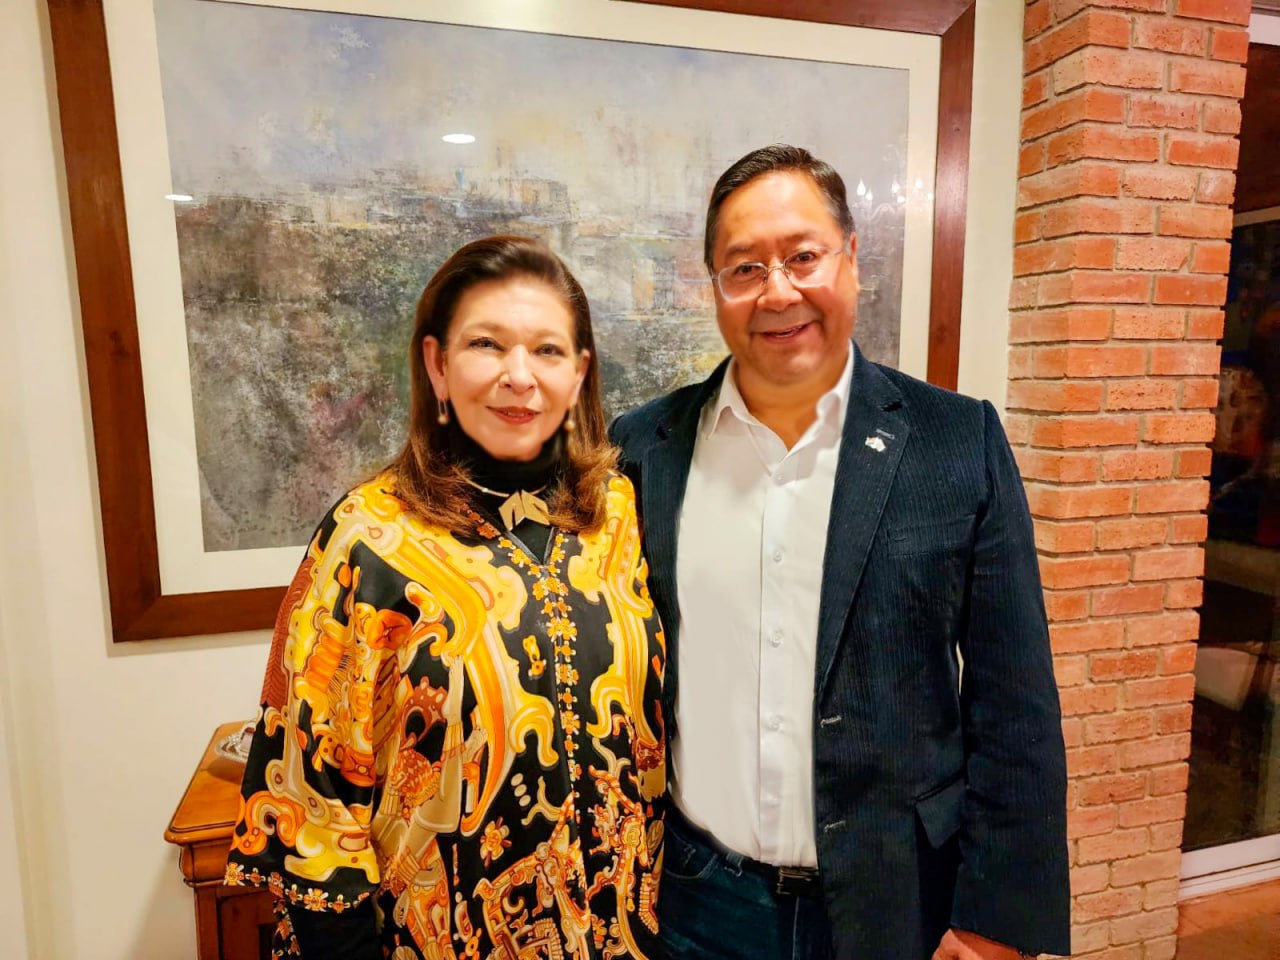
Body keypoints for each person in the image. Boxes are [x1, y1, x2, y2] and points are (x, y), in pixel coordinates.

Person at [610, 145, 1069, 960]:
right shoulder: (645, 449)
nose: (777, 291)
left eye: (802, 256)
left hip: (901, 902)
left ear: (852, 259)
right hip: (697, 902)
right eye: (743, 268)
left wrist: (996, 917)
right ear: (713, 288)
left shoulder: (956, 443)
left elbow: (1015, 702)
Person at [226, 235, 666, 960]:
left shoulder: (622, 513)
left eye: (548, 352)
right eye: (487, 345)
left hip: (629, 938)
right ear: (437, 364)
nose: (518, 377)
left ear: (580, 373)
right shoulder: (366, 539)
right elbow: (309, 813)